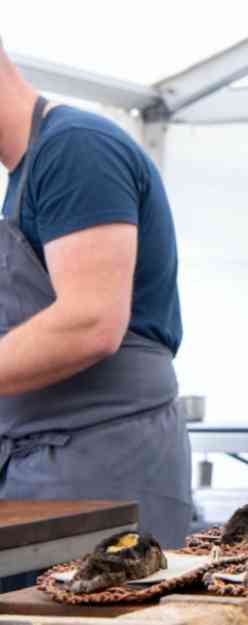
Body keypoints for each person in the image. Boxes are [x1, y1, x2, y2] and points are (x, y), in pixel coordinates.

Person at [0, 38, 191, 551]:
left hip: (103, 461)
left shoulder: (74, 147)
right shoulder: (24, 176)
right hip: (47, 463)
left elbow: (90, 322)